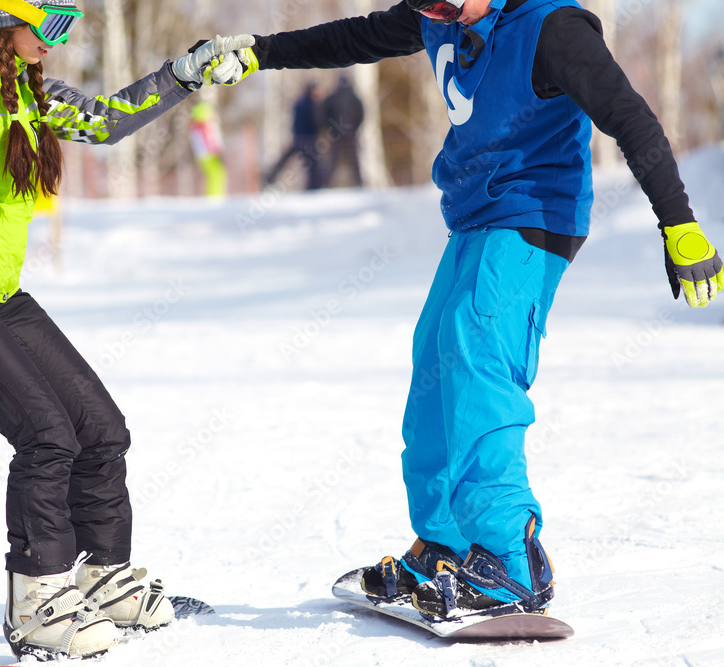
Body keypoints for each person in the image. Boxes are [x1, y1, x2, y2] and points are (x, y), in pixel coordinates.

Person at [210, 0, 724, 616]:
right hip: (475, 219)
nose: (437, 13)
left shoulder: (551, 29)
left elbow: (629, 117)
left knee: (480, 366)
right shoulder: (442, 18)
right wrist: (263, 51)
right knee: (435, 366)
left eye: (446, 2)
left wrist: (679, 222)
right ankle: (444, 544)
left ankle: (509, 557)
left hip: (532, 216)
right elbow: (357, 37)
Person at [0, 0, 248, 658]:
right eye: (49, 25)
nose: (57, 41)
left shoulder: (22, 83)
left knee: (102, 428)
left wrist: (182, 75)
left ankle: (102, 581)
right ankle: (37, 603)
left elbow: (102, 121)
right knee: (46, 437)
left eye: (66, 27)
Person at [262, 82, 325, 190]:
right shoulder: (313, 104)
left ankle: (270, 177)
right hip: (309, 139)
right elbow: (317, 121)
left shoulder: (299, 103)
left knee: (286, 160)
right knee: (312, 165)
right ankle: (313, 188)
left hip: (298, 138)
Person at [318, 75, 363, 188]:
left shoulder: (332, 97)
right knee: (354, 161)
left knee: (334, 161)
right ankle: (359, 184)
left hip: (336, 135)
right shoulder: (354, 97)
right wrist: (355, 127)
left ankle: (327, 185)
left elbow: (322, 114)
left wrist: (330, 128)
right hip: (350, 134)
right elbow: (361, 114)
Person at [189, 102, 228, 198]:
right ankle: (214, 196)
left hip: (204, 155)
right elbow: (210, 140)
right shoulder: (203, 125)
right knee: (216, 175)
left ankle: (215, 195)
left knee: (215, 175)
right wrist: (217, 151)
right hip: (209, 154)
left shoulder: (196, 125)